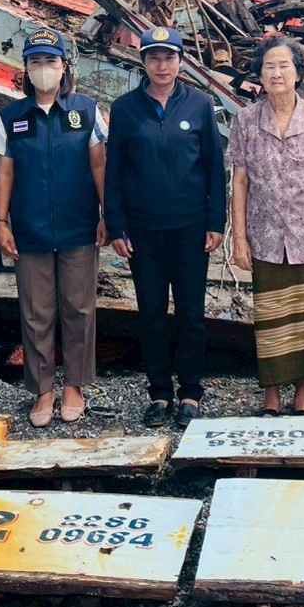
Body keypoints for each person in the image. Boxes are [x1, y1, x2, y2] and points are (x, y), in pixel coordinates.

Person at [105, 26, 226, 428]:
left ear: (180, 61)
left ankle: (190, 392)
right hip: (143, 232)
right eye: (154, 57)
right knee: (152, 314)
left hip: (191, 228)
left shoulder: (199, 105)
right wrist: (116, 225)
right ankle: (159, 393)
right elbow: (115, 173)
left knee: (191, 314)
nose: (162, 65)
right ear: (142, 62)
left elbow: (213, 167)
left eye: (169, 57)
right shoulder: (124, 109)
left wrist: (216, 221)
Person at [0, 28, 109, 428]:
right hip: (30, 229)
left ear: (64, 67)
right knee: (37, 312)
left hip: (79, 226)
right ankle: (43, 389)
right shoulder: (11, 116)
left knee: (78, 308)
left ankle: (74, 384)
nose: (43, 70)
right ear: (25, 68)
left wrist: (108, 214)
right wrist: (1, 221)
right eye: (35, 62)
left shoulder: (87, 111)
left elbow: (99, 165)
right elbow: (5, 173)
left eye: (50, 62)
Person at [227, 36, 304, 416]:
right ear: (259, 75)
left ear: (298, 73)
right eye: (269, 67)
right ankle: (272, 393)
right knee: (270, 315)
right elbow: (240, 182)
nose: (276, 73)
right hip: (265, 237)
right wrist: (240, 240)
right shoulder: (246, 120)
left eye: (284, 66)